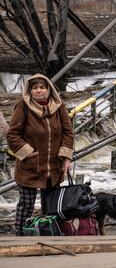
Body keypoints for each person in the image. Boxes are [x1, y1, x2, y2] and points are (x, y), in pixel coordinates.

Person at [7, 74, 74, 236]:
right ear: (30, 91)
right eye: (35, 88)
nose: (39, 91)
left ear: (48, 89)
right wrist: (29, 154)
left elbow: (68, 133)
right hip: (30, 166)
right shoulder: (23, 106)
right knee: (26, 205)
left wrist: (66, 158)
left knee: (50, 206)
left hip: (54, 167)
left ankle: (48, 234)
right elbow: (12, 134)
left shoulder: (58, 107)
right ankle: (21, 237)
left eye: (42, 87)